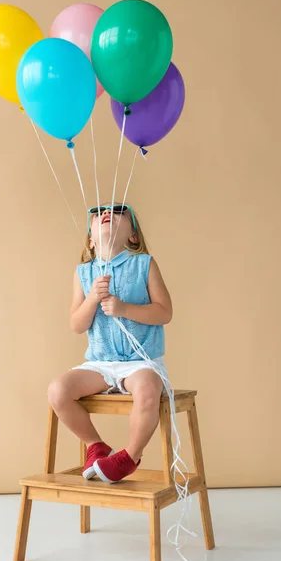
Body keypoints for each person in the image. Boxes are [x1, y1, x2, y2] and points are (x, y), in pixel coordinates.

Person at [48, 204, 173, 483]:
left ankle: (130, 456)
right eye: (98, 212)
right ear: (91, 240)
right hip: (100, 363)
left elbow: (165, 312)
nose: (106, 213)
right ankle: (96, 445)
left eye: (118, 210)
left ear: (133, 236)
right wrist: (92, 298)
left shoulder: (144, 264)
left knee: (148, 390)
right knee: (58, 391)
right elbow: (76, 325)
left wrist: (124, 308)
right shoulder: (83, 273)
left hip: (141, 362)